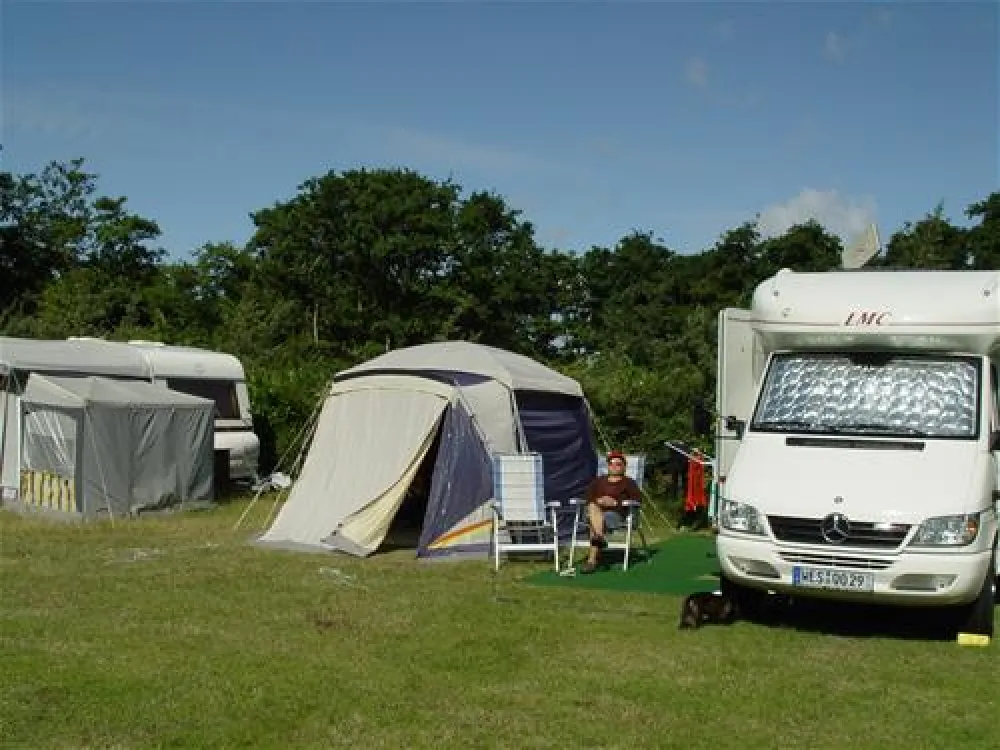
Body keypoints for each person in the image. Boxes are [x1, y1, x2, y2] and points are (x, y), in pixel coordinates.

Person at [580, 450, 642, 574]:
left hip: (616, 515)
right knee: (592, 506)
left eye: (618, 464)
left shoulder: (629, 483)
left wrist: (615, 503)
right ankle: (600, 537)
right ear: (608, 466)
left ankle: (591, 561)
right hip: (595, 512)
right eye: (611, 464)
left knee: (595, 522)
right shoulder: (598, 481)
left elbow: (637, 500)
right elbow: (587, 497)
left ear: (624, 467)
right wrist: (600, 500)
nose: (614, 467)